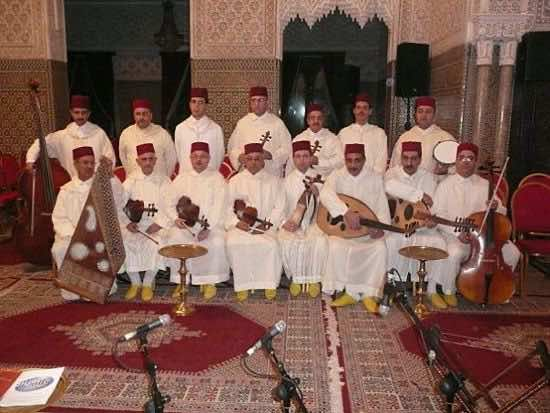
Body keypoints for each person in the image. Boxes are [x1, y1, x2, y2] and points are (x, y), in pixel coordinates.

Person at [430, 142, 521, 307]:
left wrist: (496, 207)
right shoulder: (445, 185)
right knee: (455, 252)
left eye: (470, 158)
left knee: (513, 252)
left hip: (484, 238)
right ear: (456, 161)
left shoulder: (485, 185)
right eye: (462, 157)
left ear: (476, 162)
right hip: (455, 235)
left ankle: (498, 287)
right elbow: (437, 215)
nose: (466, 161)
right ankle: (449, 290)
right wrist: (457, 233)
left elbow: (502, 213)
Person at [319, 143, 390, 313]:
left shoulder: (374, 178)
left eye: (357, 160)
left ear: (364, 160)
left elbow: (382, 207)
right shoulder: (337, 175)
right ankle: (350, 292)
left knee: (380, 248)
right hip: (344, 232)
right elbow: (325, 194)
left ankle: (369, 293)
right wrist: (345, 211)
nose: (353, 165)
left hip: (368, 233)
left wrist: (379, 228)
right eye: (349, 160)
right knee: (336, 246)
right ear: (345, 160)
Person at [158, 142, 229, 301]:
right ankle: (181, 280)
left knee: (216, 242)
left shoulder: (217, 178)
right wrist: (175, 219)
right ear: (190, 158)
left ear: (209, 158)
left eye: (203, 156)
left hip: (210, 226)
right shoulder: (182, 178)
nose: (199, 160)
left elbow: (220, 205)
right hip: (185, 226)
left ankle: (209, 281)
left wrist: (208, 228)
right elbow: (169, 202)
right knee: (175, 238)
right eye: (195, 156)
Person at [51, 146, 124, 301]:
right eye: (85, 163)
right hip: (72, 235)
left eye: (92, 163)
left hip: (98, 234)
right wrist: (76, 235)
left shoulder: (102, 185)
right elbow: (59, 218)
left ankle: (96, 290)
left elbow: (119, 198)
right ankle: (72, 291)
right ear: (76, 164)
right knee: (61, 247)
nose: (89, 166)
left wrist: (111, 175)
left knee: (101, 247)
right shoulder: (66, 190)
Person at [384, 141, 448, 305]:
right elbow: (390, 186)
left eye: (413, 159)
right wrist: (419, 194)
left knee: (439, 243)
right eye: (405, 158)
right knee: (390, 242)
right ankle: (393, 286)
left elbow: (435, 204)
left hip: (423, 228)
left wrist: (432, 219)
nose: (409, 163)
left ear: (420, 160)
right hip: (398, 227)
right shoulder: (392, 174)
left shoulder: (428, 177)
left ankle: (432, 289)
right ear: (401, 159)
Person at [225, 143, 285, 301]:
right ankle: (243, 285)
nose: (253, 162)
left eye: (257, 159)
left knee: (270, 245)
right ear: (244, 161)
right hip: (240, 226)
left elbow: (280, 207)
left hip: (266, 225)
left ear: (263, 161)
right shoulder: (235, 181)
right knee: (235, 243)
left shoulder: (274, 181)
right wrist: (236, 223)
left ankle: (268, 284)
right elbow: (226, 207)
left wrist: (267, 223)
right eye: (250, 159)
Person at [119, 143, 170, 302]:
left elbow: (171, 205)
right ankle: (135, 283)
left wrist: (159, 223)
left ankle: (148, 283)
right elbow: (119, 203)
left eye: (150, 159)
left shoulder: (164, 180)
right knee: (124, 242)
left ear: (155, 160)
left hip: (156, 224)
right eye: (144, 159)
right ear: (138, 161)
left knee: (156, 243)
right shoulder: (130, 181)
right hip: (135, 225)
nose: (147, 162)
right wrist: (127, 223)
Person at [279, 140, 328, 298]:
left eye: (305, 156)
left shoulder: (320, 179)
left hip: (315, 223)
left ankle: (313, 279)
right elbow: (279, 206)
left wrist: (318, 193)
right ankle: (296, 279)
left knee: (319, 241)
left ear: (311, 157)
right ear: (293, 158)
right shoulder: (287, 181)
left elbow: (329, 206)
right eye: (298, 156)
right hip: (293, 222)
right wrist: (284, 223)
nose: (302, 160)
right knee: (288, 240)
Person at [26, 95, 116, 178]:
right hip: (72, 185)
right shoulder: (62, 136)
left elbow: (109, 158)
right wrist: (30, 160)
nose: (80, 116)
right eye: (76, 112)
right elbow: (40, 143)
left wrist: (101, 178)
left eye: (83, 113)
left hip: (95, 184)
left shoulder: (99, 134)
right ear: (71, 113)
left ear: (89, 113)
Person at [228, 86, 291, 177]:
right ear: (250, 103)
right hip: (247, 174)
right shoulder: (242, 123)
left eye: (260, 100)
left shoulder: (277, 123)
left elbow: (287, 148)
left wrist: (271, 155)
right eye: (253, 100)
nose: (256, 104)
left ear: (267, 102)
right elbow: (232, 147)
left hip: (270, 174)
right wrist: (239, 156)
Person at [390, 96, 456, 175]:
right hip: (409, 185)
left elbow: (456, 168)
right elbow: (395, 166)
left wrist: (445, 171)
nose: (424, 115)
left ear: (434, 115)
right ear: (415, 115)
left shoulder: (446, 138)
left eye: (428, 112)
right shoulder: (405, 137)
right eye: (420, 111)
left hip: (436, 184)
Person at [118, 98, 177, 178]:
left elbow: (172, 159)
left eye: (144, 114)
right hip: (134, 183)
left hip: (158, 183)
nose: (141, 117)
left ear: (151, 115)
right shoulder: (126, 134)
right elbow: (123, 158)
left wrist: (164, 178)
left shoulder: (162, 134)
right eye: (138, 114)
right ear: (134, 115)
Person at [174, 88, 225, 174]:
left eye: (200, 102)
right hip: (187, 177)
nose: (196, 106)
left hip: (209, 178)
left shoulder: (216, 129)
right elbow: (179, 155)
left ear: (206, 105)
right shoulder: (180, 128)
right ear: (189, 104)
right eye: (193, 102)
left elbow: (219, 156)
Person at [337, 93, 388, 175]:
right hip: (347, 180)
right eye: (358, 107)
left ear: (370, 111)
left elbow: (381, 162)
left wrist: (371, 180)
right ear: (354, 111)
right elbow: (339, 160)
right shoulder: (343, 133)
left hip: (371, 182)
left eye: (365, 108)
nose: (361, 111)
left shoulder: (379, 133)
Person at [287, 103, 343, 176]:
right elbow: (290, 165)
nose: (316, 121)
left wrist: (319, 161)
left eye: (319, 118)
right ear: (308, 120)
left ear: (323, 120)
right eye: (312, 118)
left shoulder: (333, 139)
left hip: (326, 182)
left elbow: (340, 162)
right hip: (302, 182)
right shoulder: (299, 139)